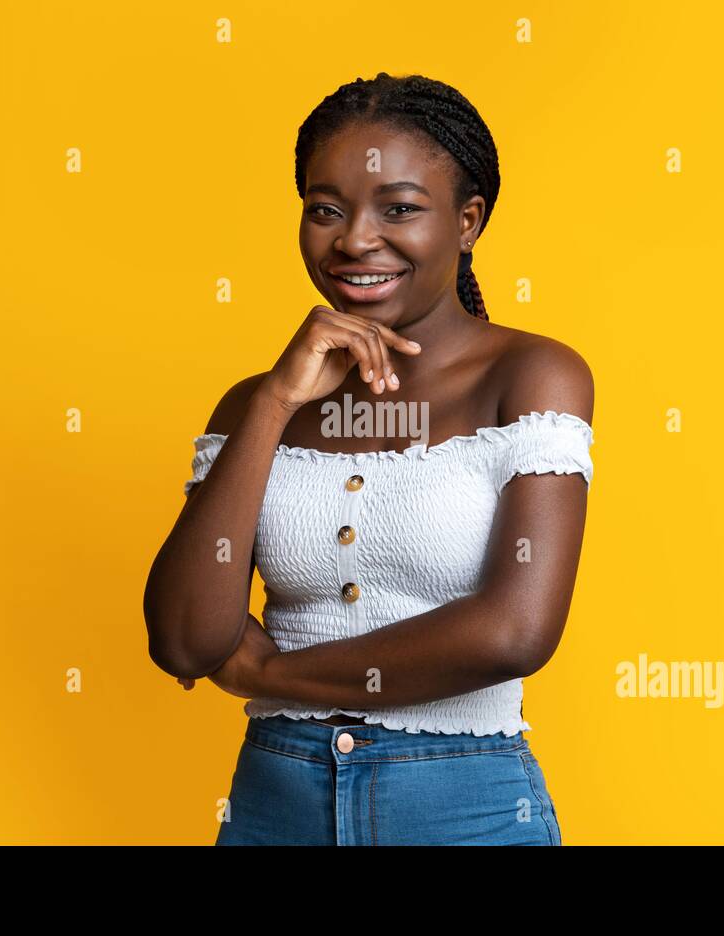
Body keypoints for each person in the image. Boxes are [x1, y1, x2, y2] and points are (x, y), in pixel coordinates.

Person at [143, 72, 594, 845]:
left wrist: (266, 675)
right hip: (272, 806)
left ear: (468, 220)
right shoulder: (255, 404)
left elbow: (515, 631)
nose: (354, 238)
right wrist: (275, 405)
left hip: (465, 808)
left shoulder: (532, 377)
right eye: (325, 209)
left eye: (400, 209)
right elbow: (184, 640)